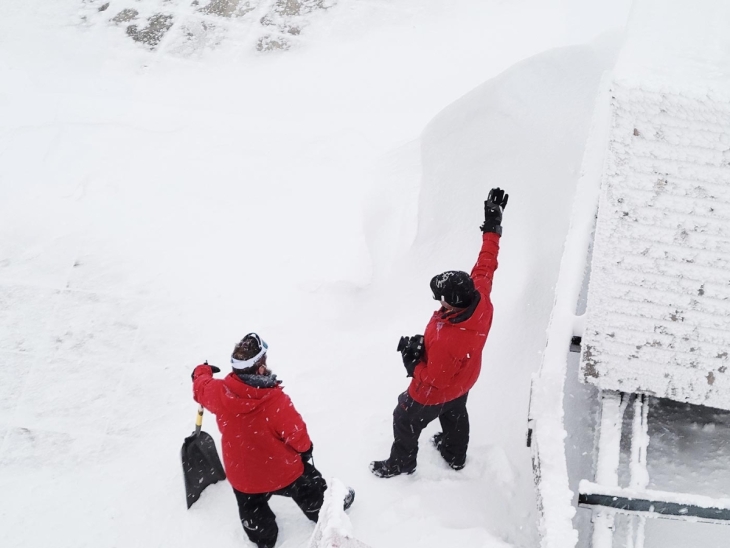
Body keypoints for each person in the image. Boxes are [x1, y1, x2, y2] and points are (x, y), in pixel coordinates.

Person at [370, 188, 508, 478]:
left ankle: (402, 462)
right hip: (465, 377)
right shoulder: (479, 296)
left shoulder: (450, 339)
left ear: (452, 302)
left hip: (433, 391)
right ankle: (454, 454)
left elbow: (434, 379)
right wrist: (492, 227)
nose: (438, 301)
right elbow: (487, 263)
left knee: (404, 417)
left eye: (440, 296)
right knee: (455, 411)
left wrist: (413, 364)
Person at [192, 333, 354, 548]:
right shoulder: (274, 401)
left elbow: (200, 386)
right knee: (309, 486)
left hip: (243, 477)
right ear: (259, 369)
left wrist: (201, 371)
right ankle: (323, 511)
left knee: (251, 507)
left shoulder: (218, 392)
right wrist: (306, 450)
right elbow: (298, 436)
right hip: (282, 472)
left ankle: (262, 535)